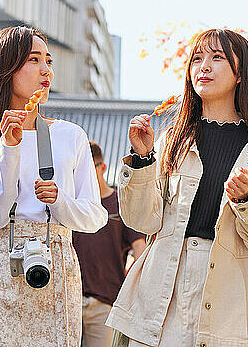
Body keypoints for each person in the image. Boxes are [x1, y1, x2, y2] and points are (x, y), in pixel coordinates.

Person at [106, 29, 248, 347]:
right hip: (165, 285)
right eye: (197, 58)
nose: (203, 66)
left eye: (217, 58)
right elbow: (144, 222)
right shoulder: (173, 140)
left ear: (241, 74)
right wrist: (143, 160)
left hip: (231, 290)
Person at [0, 26, 108, 346]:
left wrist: (59, 200)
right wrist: (9, 151)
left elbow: (96, 217)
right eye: (33, 60)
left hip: (56, 271)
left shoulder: (71, 135)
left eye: (49, 61)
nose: (46, 71)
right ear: (6, 67)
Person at [73, 141, 146, 347]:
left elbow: (140, 249)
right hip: (69, 301)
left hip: (105, 303)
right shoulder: (72, 205)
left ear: (102, 167)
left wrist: (131, 284)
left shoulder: (119, 204)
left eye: (89, 169)